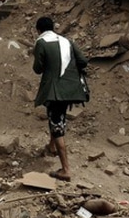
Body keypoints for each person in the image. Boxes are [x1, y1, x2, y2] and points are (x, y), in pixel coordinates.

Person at [33, 16, 88, 182]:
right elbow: (83, 61)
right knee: (56, 117)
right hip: (70, 89)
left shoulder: (41, 42)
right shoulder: (67, 41)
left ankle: (65, 170)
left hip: (54, 90)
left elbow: (37, 68)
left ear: (39, 30)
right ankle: (51, 147)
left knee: (57, 125)